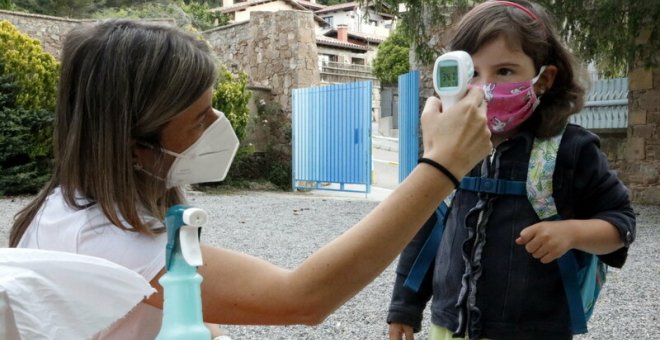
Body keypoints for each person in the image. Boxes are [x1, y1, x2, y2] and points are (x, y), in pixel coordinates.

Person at [8, 20, 492, 339]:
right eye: (199, 118)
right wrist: (442, 167)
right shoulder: (109, 243)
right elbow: (301, 297)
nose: (218, 123)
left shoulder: (68, 208)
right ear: (134, 141)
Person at [386, 1, 636, 339]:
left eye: (504, 71)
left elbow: (621, 222)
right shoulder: (451, 148)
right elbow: (425, 227)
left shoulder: (571, 150)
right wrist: (405, 305)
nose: (484, 87)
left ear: (544, 79)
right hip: (449, 326)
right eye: (471, 73)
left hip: (534, 330)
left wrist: (572, 233)